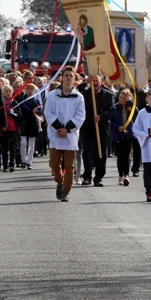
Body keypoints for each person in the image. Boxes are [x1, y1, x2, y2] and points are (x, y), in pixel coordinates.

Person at [43, 66, 85, 202]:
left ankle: (66, 190)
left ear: (74, 78)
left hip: (70, 136)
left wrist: (67, 129)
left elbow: (80, 116)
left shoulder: (79, 97)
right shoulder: (52, 95)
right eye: (66, 75)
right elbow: (48, 113)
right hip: (55, 134)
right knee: (54, 164)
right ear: (62, 77)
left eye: (70, 76)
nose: (68, 78)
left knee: (69, 166)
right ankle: (59, 180)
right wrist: (59, 128)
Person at [78, 74, 115, 186]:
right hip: (88, 127)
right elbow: (75, 91)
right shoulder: (85, 93)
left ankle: (98, 177)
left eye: (96, 81)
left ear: (101, 82)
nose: (94, 84)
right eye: (92, 82)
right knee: (87, 152)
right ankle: (87, 176)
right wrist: (85, 82)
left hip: (102, 127)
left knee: (101, 153)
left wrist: (101, 116)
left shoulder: (108, 94)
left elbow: (112, 110)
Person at [110, 88, 136, 186]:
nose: (121, 100)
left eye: (124, 98)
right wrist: (117, 127)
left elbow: (137, 113)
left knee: (127, 156)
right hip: (118, 135)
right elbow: (110, 121)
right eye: (120, 97)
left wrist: (130, 102)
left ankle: (126, 175)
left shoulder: (131, 107)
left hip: (128, 135)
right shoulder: (115, 107)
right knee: (120, 156)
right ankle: (120, 175)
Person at [18, 83, 40, 169]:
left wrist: (37, 110)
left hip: (33, 124)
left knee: (31, 144)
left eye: (32, 89)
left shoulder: (35, 101)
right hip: (23, 123)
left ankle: (29, 161)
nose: (30, 91)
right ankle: (23, 160)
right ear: (25, 90)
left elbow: (40, 111)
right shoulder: (21, 100)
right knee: (23, 143)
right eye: (28, 89)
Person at [0, 85, 20, 172]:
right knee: (5, 147)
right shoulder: (1, 102)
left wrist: (14, 113)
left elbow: (20, 115)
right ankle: (5, 165)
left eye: (9, 91)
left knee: (13, 147)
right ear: (3, 93)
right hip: (4, 128)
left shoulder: (15, 102)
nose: (8, 93)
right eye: (6, 91)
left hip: (13, 128)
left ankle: (12, 164)